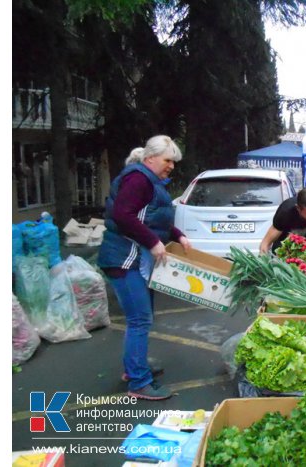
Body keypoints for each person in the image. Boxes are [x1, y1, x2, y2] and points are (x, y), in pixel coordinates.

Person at [98, 135, 192, 401]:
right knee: (140, 319)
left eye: (174, 161)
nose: (171, 166)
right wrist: (153, 242)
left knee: (142, 316)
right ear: (151, 158)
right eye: (167, 160)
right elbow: (123, 215)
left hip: (136, 260)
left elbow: (152, 218)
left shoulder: (149, 181)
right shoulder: (138, 179)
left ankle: (135, 369)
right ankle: (138, 382)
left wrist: (177, 234)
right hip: (124, 259)